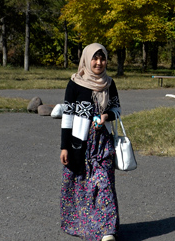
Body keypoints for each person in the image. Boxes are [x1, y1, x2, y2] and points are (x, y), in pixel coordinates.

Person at [60, 43, 121, 241]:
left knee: (103, 185)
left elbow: (117, 109)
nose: (99, 63)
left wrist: (106, 116)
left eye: (102, 58)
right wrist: (64, 147)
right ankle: (85, 226)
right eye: (95, 58)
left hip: (102, 145)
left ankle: (107, 230)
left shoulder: (109, 83)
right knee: (82, 185)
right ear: (87, 59)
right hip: (79, 144)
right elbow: (67, 117)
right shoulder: (75, 83)